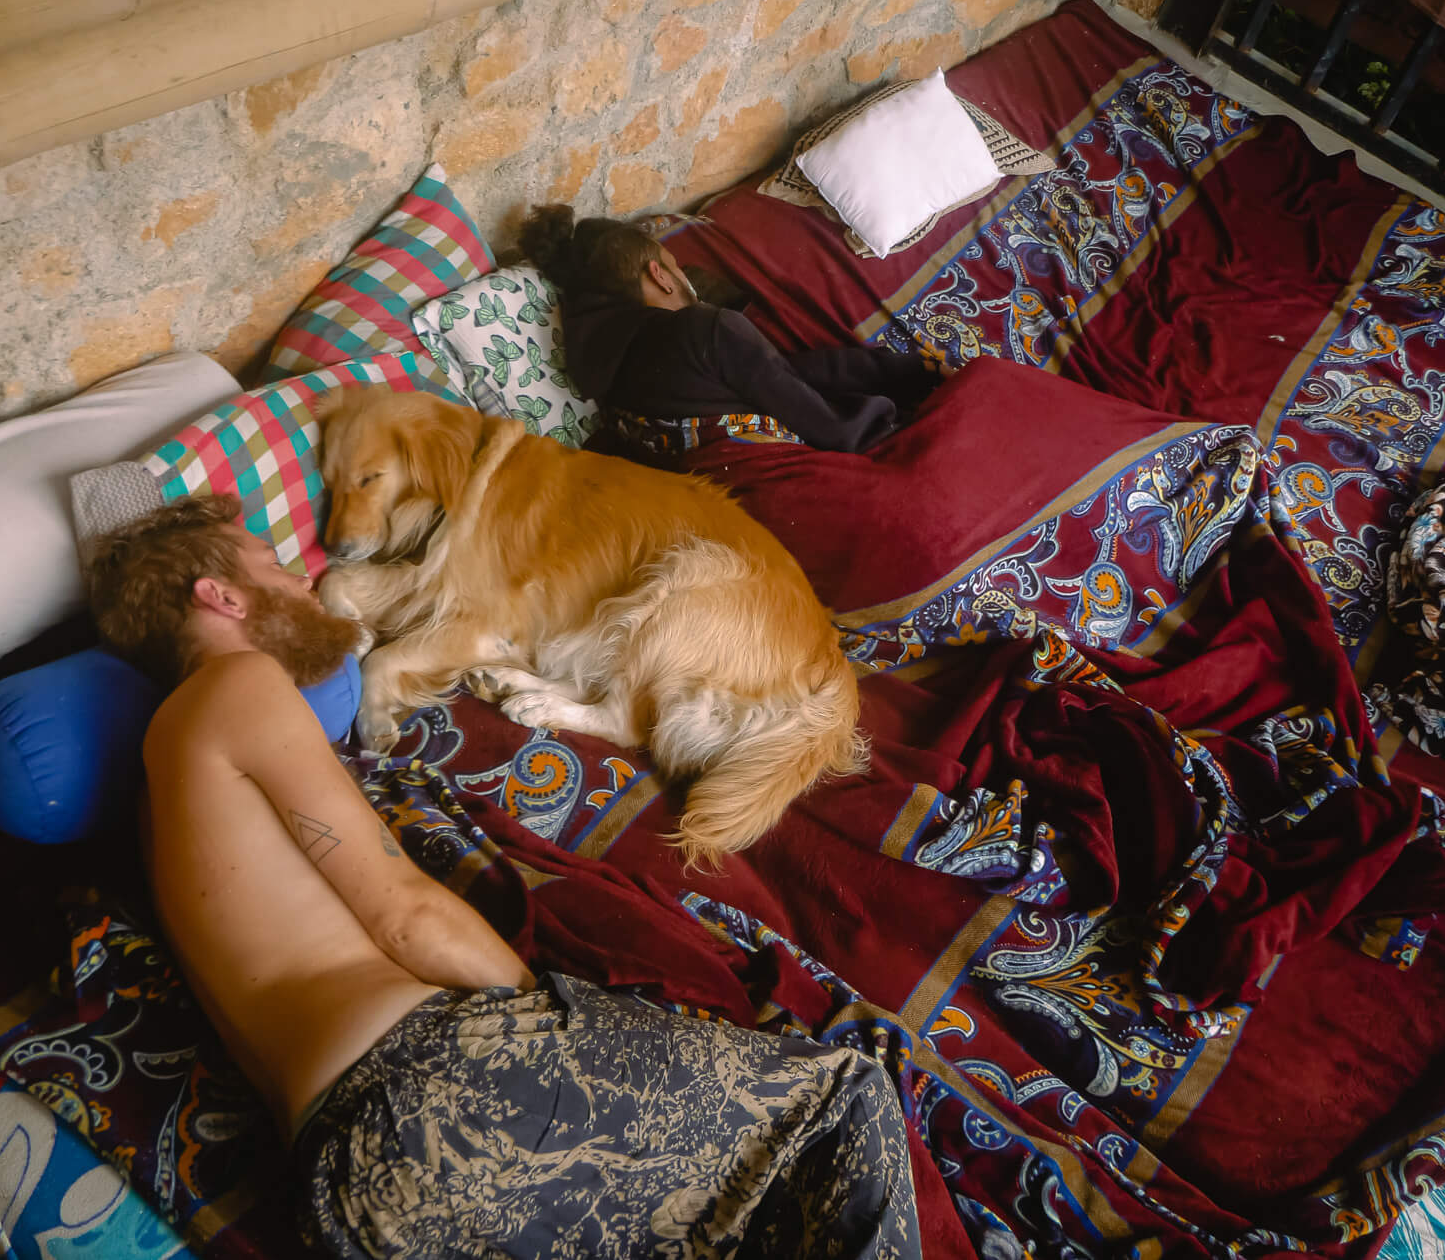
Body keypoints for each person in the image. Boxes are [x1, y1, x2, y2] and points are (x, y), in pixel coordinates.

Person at [85, 494, 921, 1260]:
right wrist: (548, 1017)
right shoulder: (240, 683)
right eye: (269, 564)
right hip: (441, 1083)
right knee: (846, 1097)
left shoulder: (153, 800)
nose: (302, 576)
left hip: (348, 1194)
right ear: (219, 598)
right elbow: (403, 914)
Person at [518, 204, 940, 452]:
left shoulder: (612, 385)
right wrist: (919, 413)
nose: (682, 275)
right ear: (660, 276)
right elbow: (835, 428)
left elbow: (788, 375)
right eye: (675, 265)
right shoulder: (704, 329)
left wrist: (906, 373)